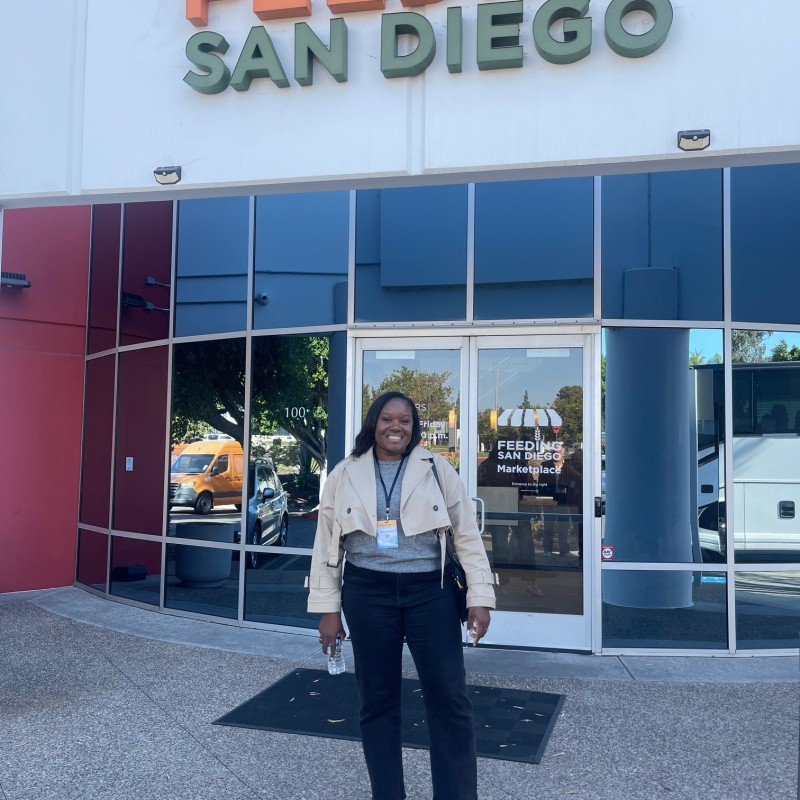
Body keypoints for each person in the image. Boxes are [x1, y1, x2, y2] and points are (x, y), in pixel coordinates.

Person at [307, 391, 496, 800]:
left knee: (449, 699)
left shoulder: (436, 468)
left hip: (431, 592)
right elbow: (326, 545)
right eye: (388, 419)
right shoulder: (345, 473)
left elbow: (466, 533)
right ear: (374, 422)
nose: (396, 427)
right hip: (367, 592)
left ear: (415, 427)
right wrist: (328, 610)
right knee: (377, 702)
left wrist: (479, 595)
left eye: (405, 420)